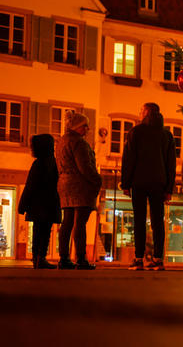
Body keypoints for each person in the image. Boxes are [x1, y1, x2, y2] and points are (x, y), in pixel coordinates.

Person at [121, 103, 176, 271]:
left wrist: (125, 183)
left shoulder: (136, 132)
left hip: (139, 181)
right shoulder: (167, 135)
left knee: (139, 220)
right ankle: (158, 259)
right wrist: (169, 188)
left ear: (146, 113)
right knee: (158, 221)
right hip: (159, 182)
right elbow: (170, 164)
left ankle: (138, 258)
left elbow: (129, 158)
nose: (139, 112)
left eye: (141, 110)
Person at [55, 112, 102, 270]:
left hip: (64, 185)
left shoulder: (61, 141)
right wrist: (97, 180)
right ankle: (81, 259)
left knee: (67, 223)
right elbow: (85, 167)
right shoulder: (79, 143)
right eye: (84, 125)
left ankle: (64, 258)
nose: (87, 129)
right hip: (80, 186)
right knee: (79, 224)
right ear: (76, 126)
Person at [18, 134, 61, 269]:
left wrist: (23, 204)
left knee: (38, 231)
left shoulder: (38, 164)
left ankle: (37, 257)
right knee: (45, 231)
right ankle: (40, 257)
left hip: (37, 205)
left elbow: (30, 185)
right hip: (49, 204)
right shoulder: (53, 163)